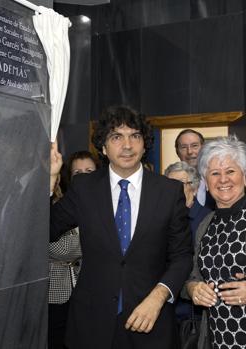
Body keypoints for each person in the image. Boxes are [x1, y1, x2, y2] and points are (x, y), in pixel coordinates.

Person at [50, 106, 192, 349]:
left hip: (150, 324)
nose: (127, 145)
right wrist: (50, 180)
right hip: (91, 327)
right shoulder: (84, 188)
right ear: (103, 148)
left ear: (145, 144)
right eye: (117, 137)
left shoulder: (168, 192)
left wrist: (158, 297)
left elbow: (182, 256)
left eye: (135, 136)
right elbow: (46, 229)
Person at [184, 136, 246, 349]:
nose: (223, 179)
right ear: (205, 181)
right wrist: (193, 288)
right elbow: (193, 276)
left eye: (230, 171)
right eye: (215, 173)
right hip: (218, 339)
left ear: (244, 176)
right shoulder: (205, 224)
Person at [48, 151, 98, 349]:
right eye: (77, 172)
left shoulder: (111, 205)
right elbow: (59, 248)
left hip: (91, 293)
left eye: (89, 171)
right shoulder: (61, 206)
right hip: (57, 291)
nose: (84, 176)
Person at [164, 161, 212, 322]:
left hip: (192, 312)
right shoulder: (160, 219)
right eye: (167, 184)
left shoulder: (208, 219)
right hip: (164, 305)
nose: (171, 189)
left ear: (195, 187)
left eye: (178, 184)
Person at [175, 129, 215, 208]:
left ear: (203, 148)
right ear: (177, 152)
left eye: (194, 146)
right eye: (183, 147)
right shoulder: (171, 183)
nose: (189, 151)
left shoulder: (218, 177)